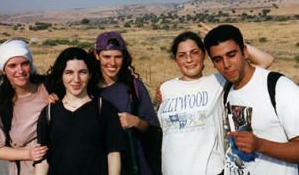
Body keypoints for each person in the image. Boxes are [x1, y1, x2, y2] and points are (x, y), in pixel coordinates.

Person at [157, 29, 274, 175]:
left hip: (210, 170)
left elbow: (266, 60)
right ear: (176, 59)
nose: (189, 59)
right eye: (182, 55)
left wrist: (231, 41)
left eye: (194, 52)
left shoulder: (219, 81)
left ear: (204, 55)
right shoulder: (165, 88)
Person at [204, 24, 299, 175]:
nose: (226, 65)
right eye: (218, 59)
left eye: (231, 55)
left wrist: (260, 145)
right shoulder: (227, 90)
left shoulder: (278, 87)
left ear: (245, 52)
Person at [35, 47, 125, 175]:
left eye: (82, 72)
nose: (76, 79)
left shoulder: (103, 109)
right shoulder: (50, 111)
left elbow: (114, 154)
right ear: (61, 75)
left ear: (90, 75)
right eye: (69, 72)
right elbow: (43, 159)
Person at [91, 31, 161, 175]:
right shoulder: (87, 89)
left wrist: (135, 121)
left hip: (135, 166)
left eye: (118, 57)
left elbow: (154, 130)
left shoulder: (134, 87)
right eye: (106, 57)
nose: (112, 63)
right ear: (97, 56)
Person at [0, 39, 48, 175]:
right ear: (4, 69)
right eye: (12, 66)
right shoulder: (2, 103)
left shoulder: (49, 87)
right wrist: (29, 154)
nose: (19, 70)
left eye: (24, 64)